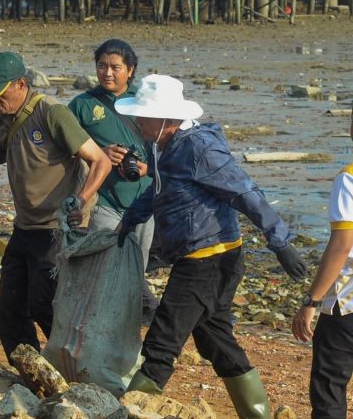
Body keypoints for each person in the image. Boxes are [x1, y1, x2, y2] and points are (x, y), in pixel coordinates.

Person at [116, 74, 308, 418]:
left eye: (143, 116)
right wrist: (131, 219)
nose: (137, 122)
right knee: (214, 340)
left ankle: (127, 412)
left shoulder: (200, 148)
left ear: (167, 119)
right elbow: (160, 189)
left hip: (210, 260)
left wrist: (281, 244)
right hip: (197, 257)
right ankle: (257, 413)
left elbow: (245, 193)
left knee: (163, 340)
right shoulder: (160, 145)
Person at [0, 51, 111, 361]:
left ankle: (85, 365)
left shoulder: (51, 113)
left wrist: (81, 199)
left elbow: (100, 161)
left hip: (58, 228)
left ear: (20, 84)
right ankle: (32, 374)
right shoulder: (2, 117)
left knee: (43, 302)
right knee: (10, 310)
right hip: (25, 226)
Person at [68, 39, 158, 324]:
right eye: (102, 66)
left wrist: (148, 168)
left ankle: (128, 321)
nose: (107, 73)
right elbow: (63, 149)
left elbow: (167, 143)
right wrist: (98, 154)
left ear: (130, 70)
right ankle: (103, 320)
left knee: (136, 266)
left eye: (115, 67)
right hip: (104, 200)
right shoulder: (83, 105)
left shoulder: (145, 102)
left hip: (144, 199)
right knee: (104, 263)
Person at [291, 109, 353, 419]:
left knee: (329, 388)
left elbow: (342, 245)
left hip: (347, 304)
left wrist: (312, 301)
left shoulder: (349, 177)